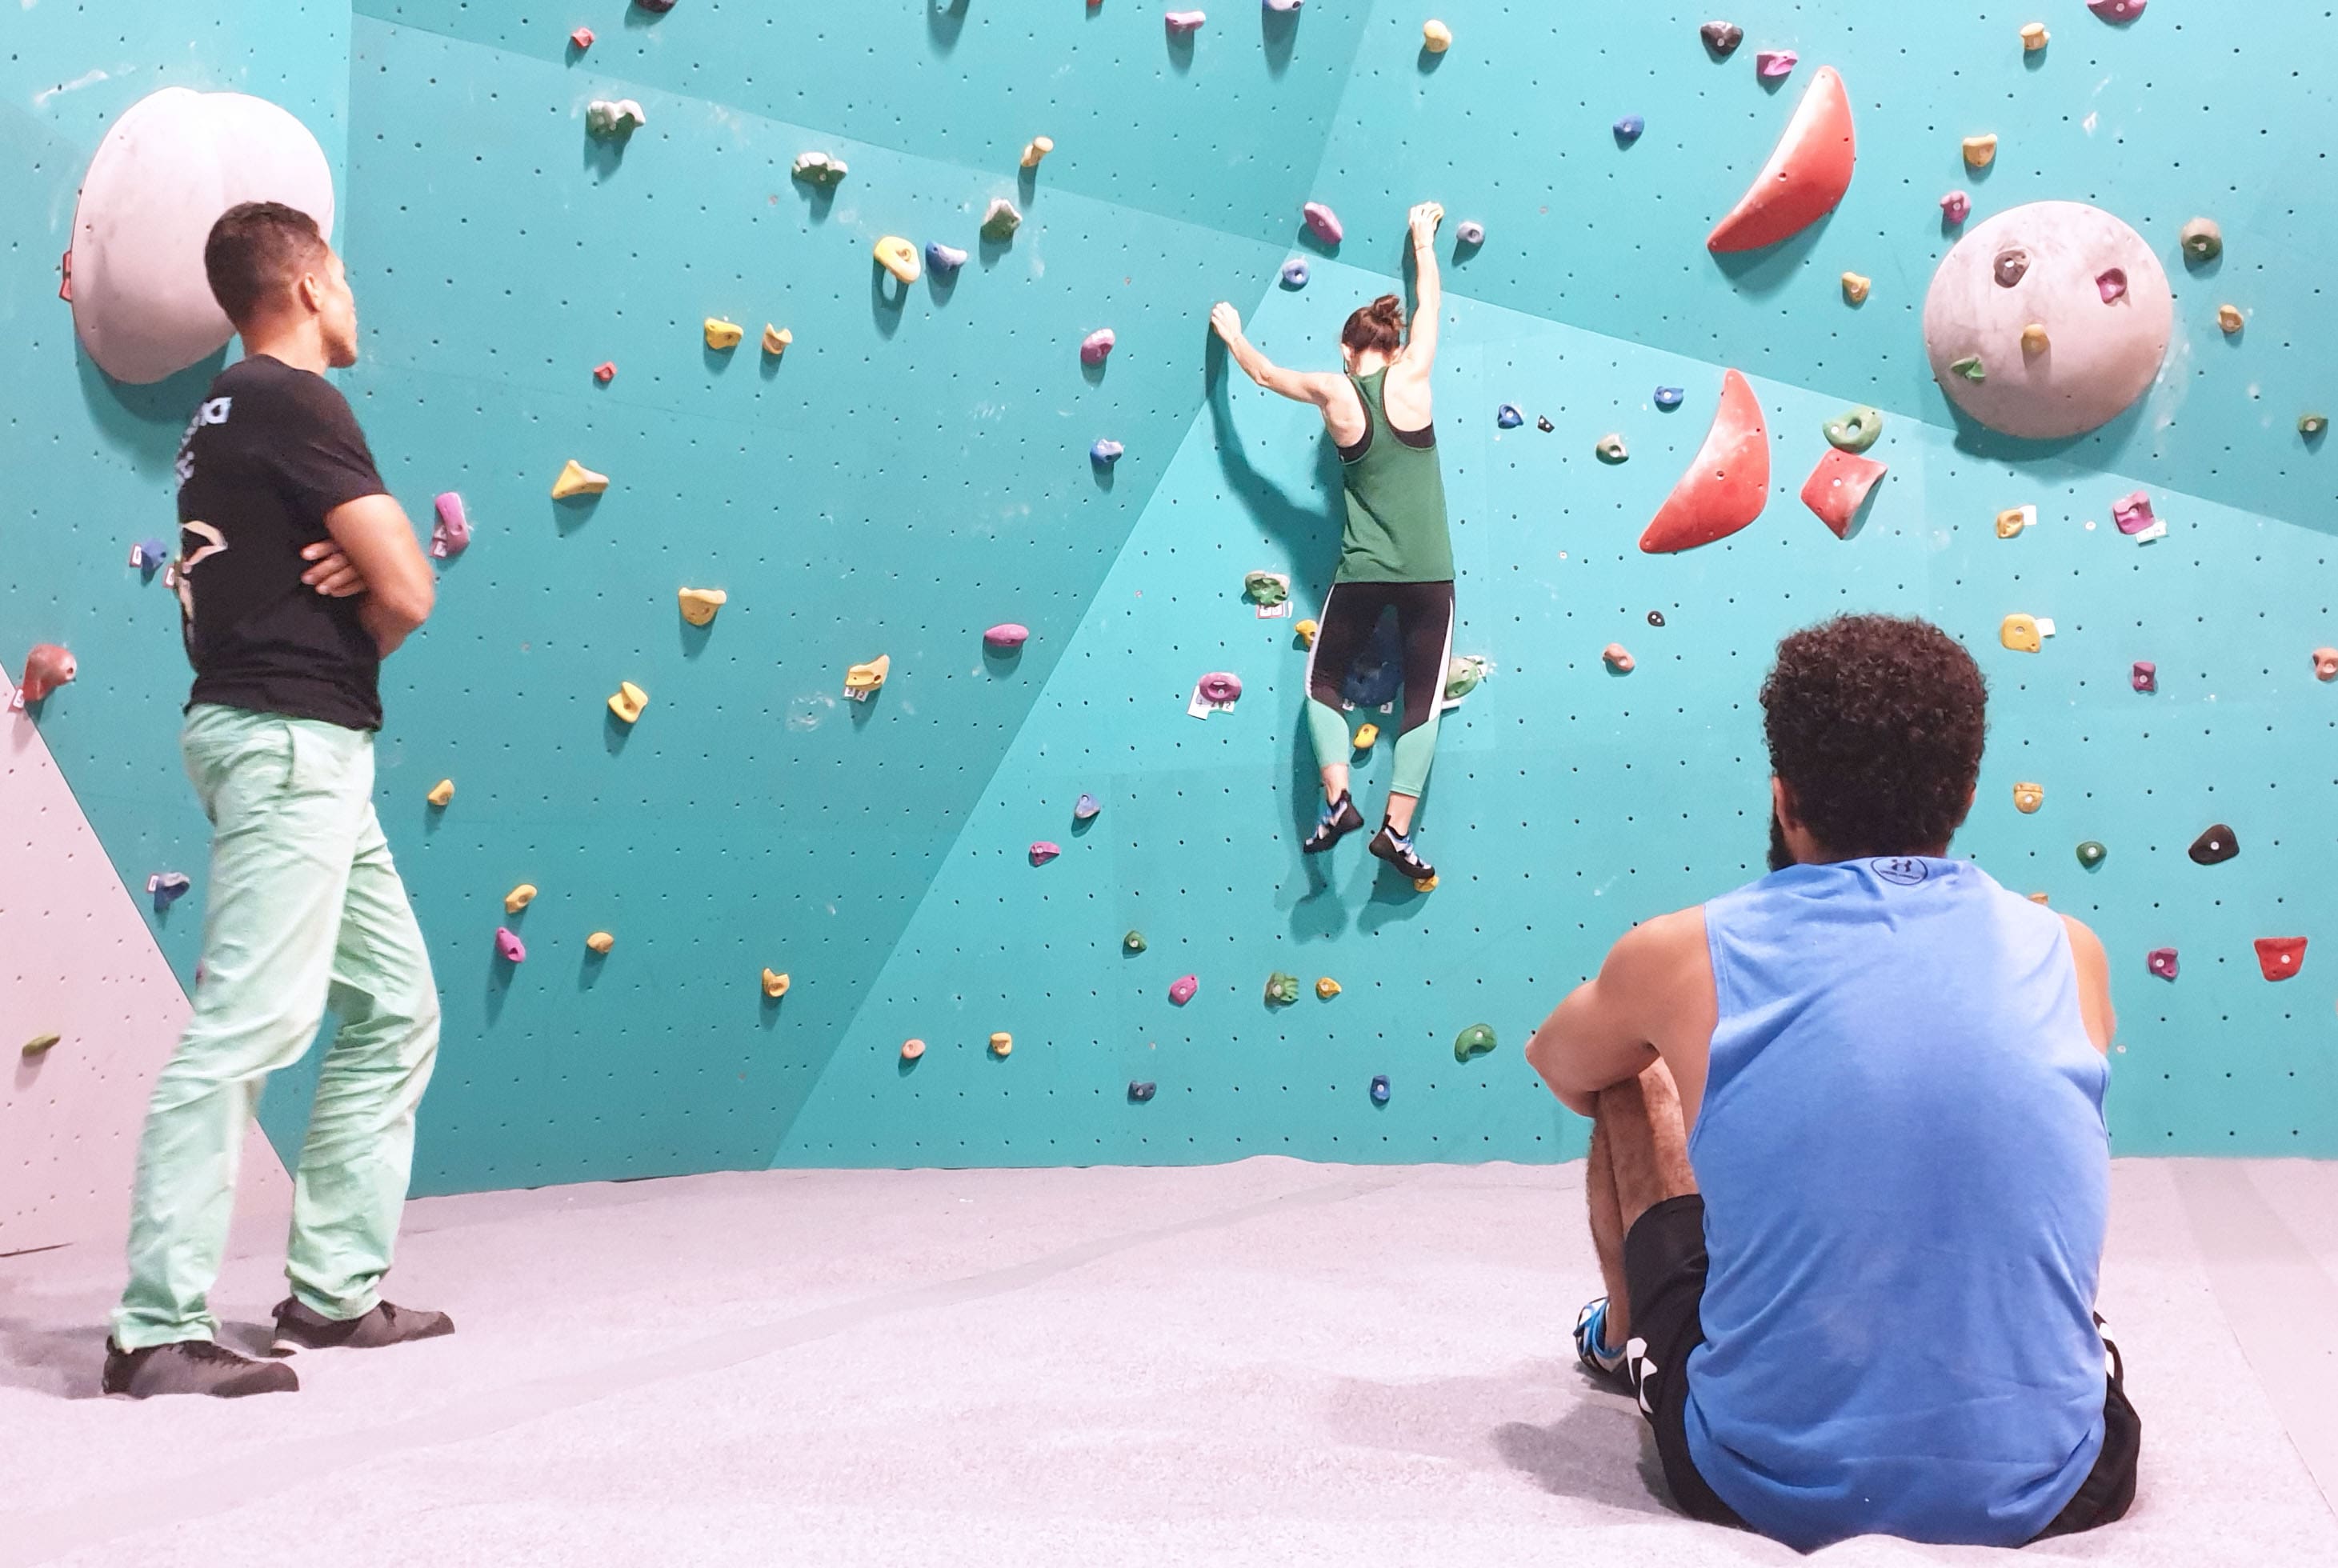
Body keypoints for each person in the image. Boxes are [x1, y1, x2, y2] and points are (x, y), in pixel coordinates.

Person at [1523, 614, 2138, 1550]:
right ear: (1967, 795)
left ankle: (1622, 1337)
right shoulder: (2071, 950)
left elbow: (1560, 1062)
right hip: (2068, 1478)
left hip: (1763, 1477)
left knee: (1628, 1076)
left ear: (1784, 800)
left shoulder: (1681, 950)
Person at [104, 201, 452, 1399]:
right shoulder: (296, 399)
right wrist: (379, 568)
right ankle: (153, 1330)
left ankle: (332, 1293)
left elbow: (348, 563)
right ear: (306, 286)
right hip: (292, 743)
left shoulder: (220, 416)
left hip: (296, 741)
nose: (353, 297)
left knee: (396, 1007)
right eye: (343, 276)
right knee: (249, 1027)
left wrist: (361, 564)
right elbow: (411, 591)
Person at [1209, 201, 1455, 884]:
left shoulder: (1335, 390)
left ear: (1348, 352)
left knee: (1323, 682)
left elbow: (1263, 375)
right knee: (1421, 701)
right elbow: (1429, 304)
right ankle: (1396, 833)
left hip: (1363, 572)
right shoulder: (1416, 373)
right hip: (1431, 575)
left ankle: (1340, 800)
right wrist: (1421, 241)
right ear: (1393, 346)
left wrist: (1232, 334)